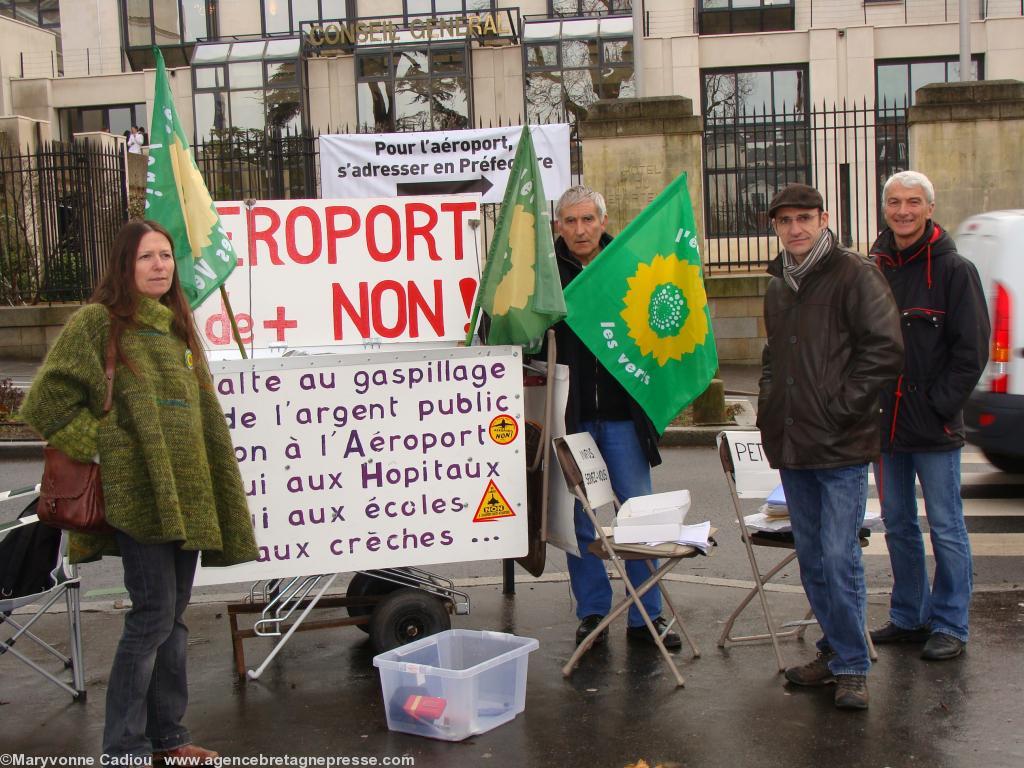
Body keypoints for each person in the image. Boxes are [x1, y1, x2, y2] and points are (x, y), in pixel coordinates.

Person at [20, 220, 258, 762]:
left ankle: (169, 737)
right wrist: (114, 449)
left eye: (167, 256)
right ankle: (123, 747)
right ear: (124, 265)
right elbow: (46, 405)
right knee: (151, 616)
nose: (160, 265)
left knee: (172, 618)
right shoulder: (97, 324)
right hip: (140, 497)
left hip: (187, 495)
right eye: (147, 256)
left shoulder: (177, 328)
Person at [757, 183, 903, 710]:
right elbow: (774, 356)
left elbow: (884, 350)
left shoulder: (855, 274)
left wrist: (842, 409)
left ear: (822, 219)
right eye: (784, 220)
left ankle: (852, 667)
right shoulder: (778, 285)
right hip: (793, 441)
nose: (795, 228)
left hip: (840, 443)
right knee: (814, 561)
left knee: (840, 558)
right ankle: (835, 650)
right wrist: (768, 410)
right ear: (775, 226)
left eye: (804, 218)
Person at [547, 186, 679, 650]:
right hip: (574, 415)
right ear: (558, 226)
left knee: (637, 516)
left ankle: (648, 615)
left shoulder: (627, 266)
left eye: (588, 219)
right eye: (570, 221)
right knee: (583, 520)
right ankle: (593, 612)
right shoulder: (547, 275)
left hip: (624, 416)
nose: (580, 230)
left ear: (603, 221)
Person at [868, 171, 990, 661]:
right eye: (895, 202)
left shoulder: (956, 271)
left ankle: (951, 625)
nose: (903, 211)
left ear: (929, 209)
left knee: (945, 527)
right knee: (897, 525)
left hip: (934, 424)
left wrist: (940, 404)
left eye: (913, 202)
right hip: (885, 425)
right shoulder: (873, 268)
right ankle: (909, 616)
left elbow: (971, 350)